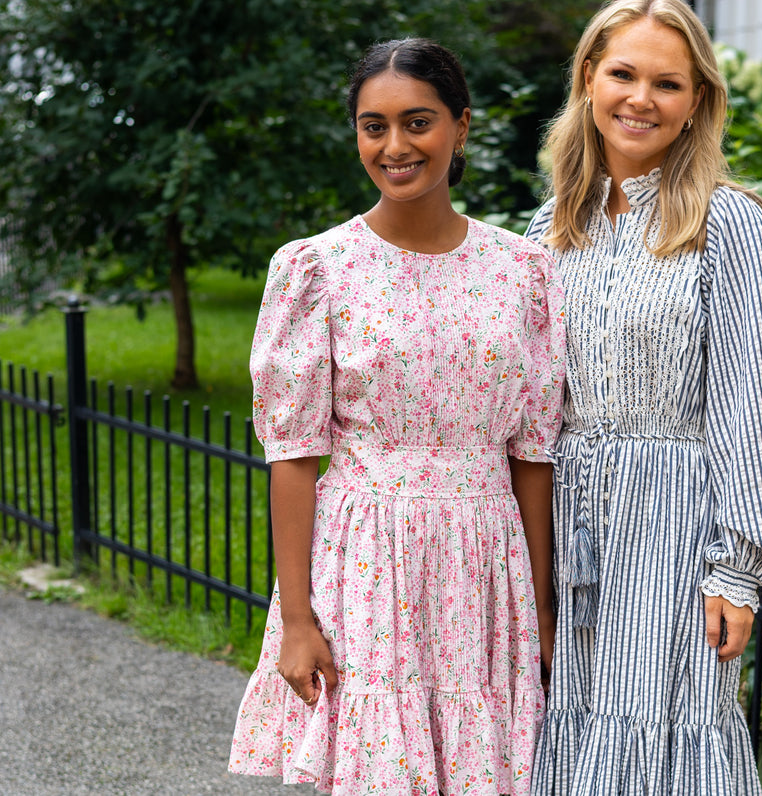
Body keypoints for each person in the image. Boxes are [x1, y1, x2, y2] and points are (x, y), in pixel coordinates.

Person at [228, 38, 565, 796]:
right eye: (372, 126)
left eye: (418, 122)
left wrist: (538, 606)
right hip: (368, 560)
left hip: (485, 563)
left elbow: (533, 455)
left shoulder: (524, 271)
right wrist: (296, 620)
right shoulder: (316, 269)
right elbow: (292, 454)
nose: (395, 145)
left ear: (461, 127)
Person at [525, 1, 762, 793]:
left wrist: (739, 571)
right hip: (568, 520)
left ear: (697, 100)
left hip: (676, 525)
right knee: (570, 718)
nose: (641, 98)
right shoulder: (546, 229)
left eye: (668, 82)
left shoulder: (726, 224)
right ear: (589, 78)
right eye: (623, 73)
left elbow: (756, 399)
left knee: (669, 731)